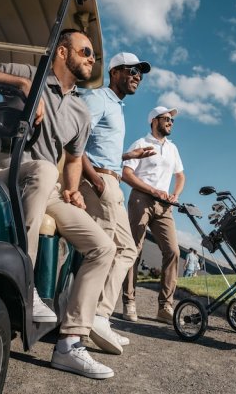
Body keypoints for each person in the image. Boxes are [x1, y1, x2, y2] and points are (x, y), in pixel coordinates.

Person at [0, 29, 116, 379]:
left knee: (103, 246)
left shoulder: (81, 112)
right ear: (61, 52)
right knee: (41, 169)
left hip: (47, 186)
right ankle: (25, 285)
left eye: (93, 56)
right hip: (2, 167)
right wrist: (20, 85)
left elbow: (73, 159)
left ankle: (70, 344)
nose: (91, 59)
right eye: (86, 51)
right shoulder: (28, 74)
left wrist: (73, 191)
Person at [79, 52, 153, 345]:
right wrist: (95, 180)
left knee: (126, 251)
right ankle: (92, 319)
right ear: (115, 71)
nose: (137, 76)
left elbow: (101, 146)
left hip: (110, 180)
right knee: (112, 250)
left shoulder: (117, 107)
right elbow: (75, 141)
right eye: (132, 70)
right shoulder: (98, 98)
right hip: (100, 181)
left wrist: (127, 156)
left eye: (140, 73)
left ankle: (98, 316)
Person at [122, 106, 186, 324]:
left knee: (173, 251)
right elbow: (126, 174)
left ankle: (165, 306)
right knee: (134, 249)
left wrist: (175, 194)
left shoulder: (172, 148)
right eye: (166, 118)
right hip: (141, 199)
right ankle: (129, 301)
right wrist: (152, 190)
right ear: (154, 121)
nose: (170, 122)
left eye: (172, 120)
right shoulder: (140, 144)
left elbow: (180, 175)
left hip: (164, 205)